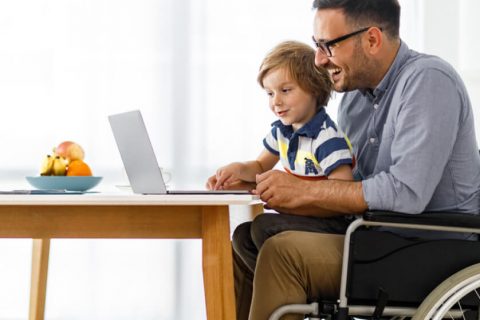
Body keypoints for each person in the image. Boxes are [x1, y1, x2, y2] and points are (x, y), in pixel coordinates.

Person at [235, 0, 480, 319]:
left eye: (328, 46)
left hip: (429, 247)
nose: (320, 60)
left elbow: (406, 194)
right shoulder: (354, 98)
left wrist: (304, 191)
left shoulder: (428, 81)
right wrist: (269, 187)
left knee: (284, 254)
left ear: (373, 40)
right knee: (246, 238)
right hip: (373, 235)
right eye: (316, 46)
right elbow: (351, 189)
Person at [206, 40, 353, 192]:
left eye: (285, 90)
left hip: (322, 215)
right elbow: (261, 166)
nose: (275, 101)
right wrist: (238, 170)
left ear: (314, 89)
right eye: (270, 93)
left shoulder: (327, 138)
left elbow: (342, 191)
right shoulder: (281, 132)